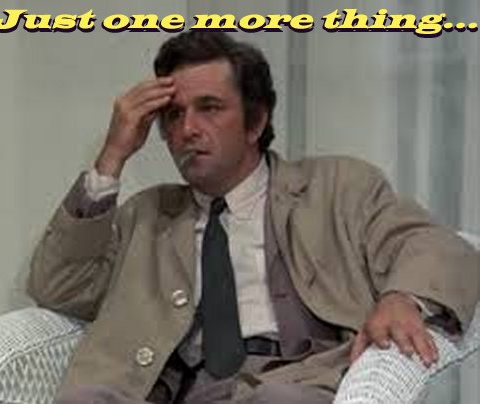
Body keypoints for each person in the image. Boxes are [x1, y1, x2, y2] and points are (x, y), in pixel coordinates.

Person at [27, 32, 479, 404]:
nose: (187, 130)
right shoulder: (147, 214)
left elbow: (436, 245)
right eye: (173, 115)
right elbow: (59, 286)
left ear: (256, 120)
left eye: (209, 108)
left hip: (294, 380)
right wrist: (112, 157)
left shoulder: (338, 187)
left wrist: (402, 298)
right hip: (167, 388)